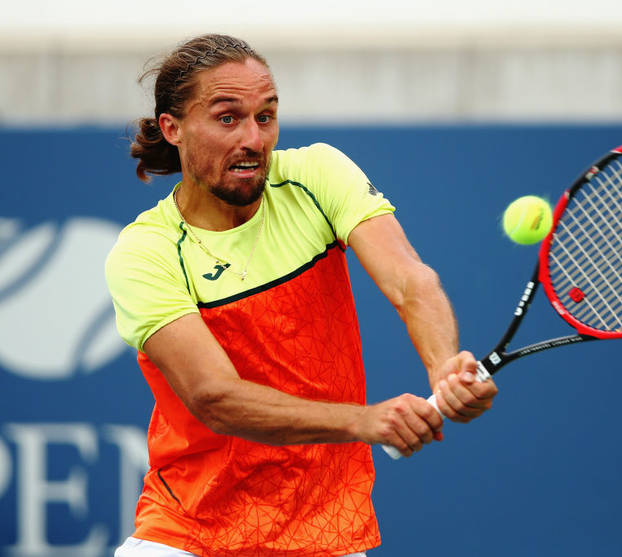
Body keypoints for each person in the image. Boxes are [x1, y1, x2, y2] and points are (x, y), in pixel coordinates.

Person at [105, 34, 497, 557]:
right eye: (228, 118)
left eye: (265, 117)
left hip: (327, 533)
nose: (253, 139)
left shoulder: (316, 175)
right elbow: (214, 396)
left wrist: (443, 366)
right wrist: (362, 420)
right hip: (190, 535)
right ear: (172, 128)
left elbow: (410, 280)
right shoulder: (146, 252)